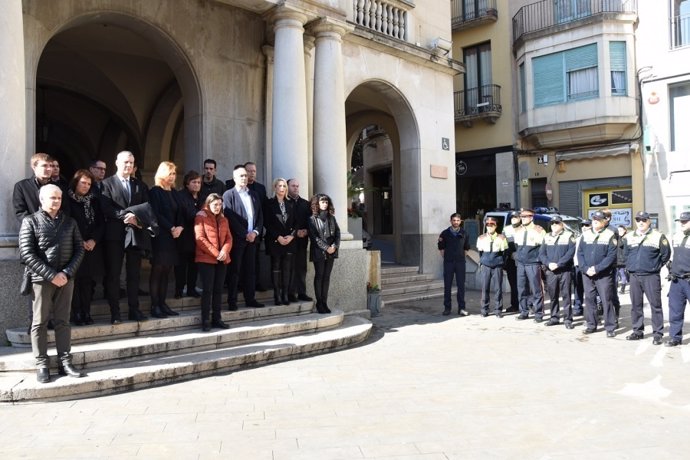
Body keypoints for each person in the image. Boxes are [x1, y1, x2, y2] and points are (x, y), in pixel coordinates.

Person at [18, 184, 85, 383]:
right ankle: (42, 364)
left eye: (59, 198)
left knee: (63, 321)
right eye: (52, 198)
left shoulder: (70, 222)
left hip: (65, 279)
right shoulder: (30, 221)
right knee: (39, 323)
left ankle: (65, 362)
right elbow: (27, 254)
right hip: (41, 280)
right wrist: (51, 275)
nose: (56, 201)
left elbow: (79, 249)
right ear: (42, 199)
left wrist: (66, 272)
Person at [100, 150, 149, 324]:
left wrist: (137, 219)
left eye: (131, 162)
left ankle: (134, 309)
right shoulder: (106, 184)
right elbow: (105, 207)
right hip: (114, 235)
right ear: (117, 163)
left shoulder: (139, 185)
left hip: (134, 234)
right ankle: (115, 312)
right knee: (114, 274)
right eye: (125, 162)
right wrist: (125, 216)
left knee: (134, 274)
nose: (128, 165)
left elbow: (146, 207)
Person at [622, 211, 671, 345]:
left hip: (651, 276)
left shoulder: (658, 236)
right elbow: (625, 254)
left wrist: (655, 266)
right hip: (634, 276)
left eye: (644, 219)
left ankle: (658, 334)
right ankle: (637, 331)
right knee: (636, 306)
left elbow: (666, 254)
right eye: (638, 220)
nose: (641, 222)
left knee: (655, 306)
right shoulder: (629, 236)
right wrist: (630, 266)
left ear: (649, 221)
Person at [66, 169, 105, 325]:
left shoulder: (94, 201)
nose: (86, 186)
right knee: (76, 282)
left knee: (88, 282)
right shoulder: (67, 200)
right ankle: (77, 314)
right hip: (74, 247)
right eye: (83, 182)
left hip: (91, 247)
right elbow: (67, 222)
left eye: (89, 184)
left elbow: (101, 223)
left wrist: (93, 240)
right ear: (76, 182)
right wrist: (79, 240)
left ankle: (86, 312)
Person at [223, 165, 265, 310]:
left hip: (253, 239)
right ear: (234, 178)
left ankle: (250, 299)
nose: (244, 178)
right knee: (235, 271)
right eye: (241, 176)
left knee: (251, 271)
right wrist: (244, 234)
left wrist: (255, 232)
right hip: (237, 240)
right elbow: (229, 217)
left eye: (245, 176)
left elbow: (260, 216)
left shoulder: (254, 194)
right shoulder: (228, 195)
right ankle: (232, 301)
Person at [148, 161, 184, 318]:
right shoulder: (155, 191)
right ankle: (155, 305)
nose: (172, 176)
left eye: (174, 173)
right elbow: (155, 213)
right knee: (158, 270)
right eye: (169, 173)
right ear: (162, 174)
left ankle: (163, 303)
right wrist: (171, 228)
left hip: (174, 237)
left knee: (167, 271)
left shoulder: (175, 192)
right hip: (161, 236)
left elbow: (181, 211)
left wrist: (180, 227)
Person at [577, 211, 618, 337]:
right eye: (594, 218)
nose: (595, 221)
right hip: (587, 273)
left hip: (603, 274)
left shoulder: (610, 235)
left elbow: (611, 256)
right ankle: (591, 324)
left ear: (604, 221)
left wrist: (597, 268)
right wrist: (585, 268)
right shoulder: (586, 235)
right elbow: (580, 253)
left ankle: (610, 327)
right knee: (589, 299)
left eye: (598, 219)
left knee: (606, 300)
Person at [195, 193, 232, 331]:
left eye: (220, 205)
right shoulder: (201, 217)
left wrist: (224, 251)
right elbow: (200, 239)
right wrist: (217, 253)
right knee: (208, 290)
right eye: (215, 204)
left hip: (222, 259)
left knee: (218, 290)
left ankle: (217, 318)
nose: (218, 207)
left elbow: (229, 238)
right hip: (206, 259)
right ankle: (205, 320)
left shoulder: (223, 219)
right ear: (208, 204)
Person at [539, 215, 576, 328]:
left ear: (561, 224)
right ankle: (554, 317)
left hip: (565, 270)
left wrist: (559, 264)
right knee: (553, 295)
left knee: (566, 295)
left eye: (557, 223)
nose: (554, 225)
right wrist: (548, 263)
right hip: (551, 271)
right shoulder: (547, 236)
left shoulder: (569, 235)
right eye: (553, 223)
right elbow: (542, 253)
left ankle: (568, 319)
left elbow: (571, 252)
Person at [264, 178, 296, 306]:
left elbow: (296, 222)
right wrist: (278, 237)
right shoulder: (269, 203)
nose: (282, 188)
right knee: (276, 267)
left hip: (289, 241)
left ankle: (285, 295)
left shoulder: (291, 203)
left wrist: (291, 236)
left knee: (287, 269)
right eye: (279, 186)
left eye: (284, 186)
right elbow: (267, 222)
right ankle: (277, 295)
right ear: (275, 188)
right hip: (275, 241)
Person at [309, 193, 341, 314]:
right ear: (317, 203)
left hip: (331, 252)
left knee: (326, 277)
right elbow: (314, 237)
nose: (325, 204)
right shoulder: (312, 218)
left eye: (326, 202)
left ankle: (325, 302)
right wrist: (326, 247)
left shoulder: (332, 218)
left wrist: (335, 246)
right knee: (319, 276)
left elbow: (338, 233)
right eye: (322, 202)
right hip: (319, 251)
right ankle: (319, 303)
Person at [514, 208, 546, 322]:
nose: (522, 219)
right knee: (521, 288)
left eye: (525, 217)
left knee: (536, 289)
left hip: (533, 262)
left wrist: (540, 261)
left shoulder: (539, 230)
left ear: (531, 217)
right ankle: (524, 311)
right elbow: (517, 246)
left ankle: (538, 313)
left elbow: (543, 247)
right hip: (521, 263)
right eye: (521, 217)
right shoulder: (518, 230)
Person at [175, 170, 203, 299]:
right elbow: (187, 213)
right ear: (187, 183)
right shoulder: (181, 196)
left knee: (194, 264)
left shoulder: (202, 197)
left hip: (197, 237)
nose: (196, 185)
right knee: (181, 265)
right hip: (184, 236)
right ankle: (179, 289)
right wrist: (198, 214)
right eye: (193, 182)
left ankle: (191, 288)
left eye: (198, 182)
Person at [438, 213, 470, 316]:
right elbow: (441, 249)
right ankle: (447, 308)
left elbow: (466, 248)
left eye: (457, 220)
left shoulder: (464, 233)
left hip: (460, 262)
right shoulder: (445, 233)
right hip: (449, 262)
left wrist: (460, 258)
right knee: (447, 285)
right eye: (454, 220)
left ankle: (462, 308)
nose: (456, 222)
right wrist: (448, 258)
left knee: (461, 286)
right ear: (451, 221)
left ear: (460, 221)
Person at [476, 216, 508, 318]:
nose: (489, 227)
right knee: (485, 288)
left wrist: (501, 263)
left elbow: (505, 253)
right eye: (488, 225)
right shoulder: (481, 238)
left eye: (492, 225)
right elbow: (480, 252)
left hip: (497, 264)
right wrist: (482, 262)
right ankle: (484, 310)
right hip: (486, 264)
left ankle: (498, 310)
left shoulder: (501, 238)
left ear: (496, 226)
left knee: (498, 288)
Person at [666, 211, 690, 347]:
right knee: (675, 310)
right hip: (676, 280)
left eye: (685, 221)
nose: (682, 223)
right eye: (681, 221)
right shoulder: (676, 236)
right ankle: (675, 337)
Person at [287, 178, 313, 302]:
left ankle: (302, 292)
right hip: (288, 241)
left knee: (302, 267)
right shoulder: (285, 202)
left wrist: (307, 231)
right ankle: (290, 293)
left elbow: (310, 221)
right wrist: (295, 232)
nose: (296, 188)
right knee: (289, 267)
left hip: (303, 241)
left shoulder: (305, 203)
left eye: (297, 186)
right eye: (293, 186)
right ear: (287, 187)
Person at [13, 153, 56, 223]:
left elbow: (65, 210)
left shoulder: (58, 187)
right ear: (34, 167)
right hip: (32, 230)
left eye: (51, 166)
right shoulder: (21, 186)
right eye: (44, 165)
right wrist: (35, 225)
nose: (49, 169)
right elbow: (20, 212)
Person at [502, 211, 522, 313]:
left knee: (523, 284)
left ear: (520, 218)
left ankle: (524, 306)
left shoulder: (524, 228)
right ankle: (514, 305)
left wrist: (519, 255)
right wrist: (510, 254)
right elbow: (504, 245)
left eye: (516, 217)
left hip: (522, 259)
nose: (513, 218)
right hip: (511, 260)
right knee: (513, 284)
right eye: (512, 217)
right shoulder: (506, 229)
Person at [572, 219, 590, 316]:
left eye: (587, 225)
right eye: (582, 225)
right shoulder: (578, 238)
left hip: (588, 267)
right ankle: (578, 307)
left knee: (589, 289)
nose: (584, 227)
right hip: (577, 265)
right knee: (577, 288)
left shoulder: (592, 237)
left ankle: (592, 309)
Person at [616, 225, 629, 294]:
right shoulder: (618, 238)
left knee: (622, 274)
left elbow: (621, 245)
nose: (619, 232)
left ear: (624, 231)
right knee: (616, 275)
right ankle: (616, 288)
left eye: (621, 230)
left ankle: (622, 289)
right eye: (618, 230)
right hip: (616, 260)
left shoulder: (625, 238)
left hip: (622, 260)